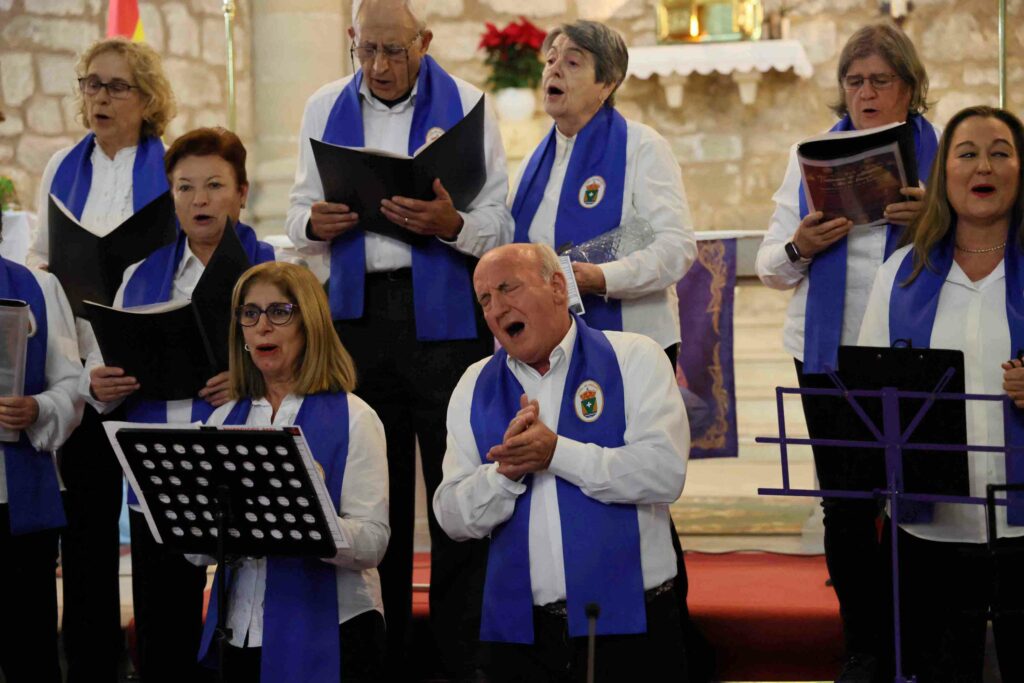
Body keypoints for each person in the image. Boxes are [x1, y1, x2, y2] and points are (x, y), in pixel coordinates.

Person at [285, 0, 513, 675]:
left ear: (425, 41)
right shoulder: (324, 106)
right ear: (352, 40)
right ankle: (378, 658)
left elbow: (500, 222)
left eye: (394, 50)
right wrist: (313, 225)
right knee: (369, 490)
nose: (379, 66)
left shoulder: (467, 105)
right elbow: (296, 212)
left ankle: (457, 659)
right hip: (356, 318)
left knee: (455, 486)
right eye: (366, 49)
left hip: (446, 319)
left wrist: (452, 224)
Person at [754, 22, 938, 681]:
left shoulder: (944, 155)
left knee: (923, 502)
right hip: (830, 354)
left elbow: (989, 248)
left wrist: (933, 223)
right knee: (848, 506)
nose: (865, 93)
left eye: (880, 80)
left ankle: (919, 644)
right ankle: (864, 646)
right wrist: (801, 245)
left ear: (909, 88)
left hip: (917, 352)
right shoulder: (812, 157)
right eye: (854, 81)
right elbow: (770, 266)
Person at [434, 243, 689, 682]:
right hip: (521, 636)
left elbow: (664, 473)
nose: (497, 309)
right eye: (485, 300)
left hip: (633, 625)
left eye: (507, 289)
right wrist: (504, 474)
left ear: (556, 287)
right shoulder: (474, 384)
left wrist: (556, 454)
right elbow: (452, 517)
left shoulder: (634, 356)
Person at [83, 127, 274, 683]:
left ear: (241, 192)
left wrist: (249, 379)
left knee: (249, 628)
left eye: (214, 185)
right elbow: (99, 361)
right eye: (185, 187)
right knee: (163, 631)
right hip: (160, 467)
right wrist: (101, 385)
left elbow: (309, 363)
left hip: (245, 463)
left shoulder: (275, 271)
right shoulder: (140, 276)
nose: (199, 200)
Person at [858, 105, 1024, 681]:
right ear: (943, 173)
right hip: (930, 530)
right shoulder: (901, 273)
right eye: (967, 153)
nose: (984, 167)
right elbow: (869, 391)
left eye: (1000, 153)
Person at [31, 37, 177, 683]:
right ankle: (91, 665)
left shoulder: (170, 168)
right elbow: (41, 265)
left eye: (116, 86)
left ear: (147, 98)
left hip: (151, 372)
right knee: (86, 532)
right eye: (91, 83)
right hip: (81, 373)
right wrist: (79, 363)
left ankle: (162, 662)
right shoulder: (60, 168)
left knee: (157, 535)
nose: (100, 97)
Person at [197, 261, 389, 683]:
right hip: (240, 633)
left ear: (311, 325)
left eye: (279, 311)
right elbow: (198, 552)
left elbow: (374, 543)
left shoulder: (356, 417)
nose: (262, 326)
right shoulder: (222, 421)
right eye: (250, 313)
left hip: (334, 631)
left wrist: (307, 514)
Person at [510, 19, 695, 365]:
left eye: (572, 62)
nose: (554, 70)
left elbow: (676, 247)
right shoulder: (532, 164)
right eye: (550, 60)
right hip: (551, 347)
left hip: (633, 345)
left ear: (607, 84)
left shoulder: (642, 147)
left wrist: (603, 278)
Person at [0, 231, 83, 682]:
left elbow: (71, 384)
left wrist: (37, 408)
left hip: (18, 502)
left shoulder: (38, 287)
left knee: (30, 654)